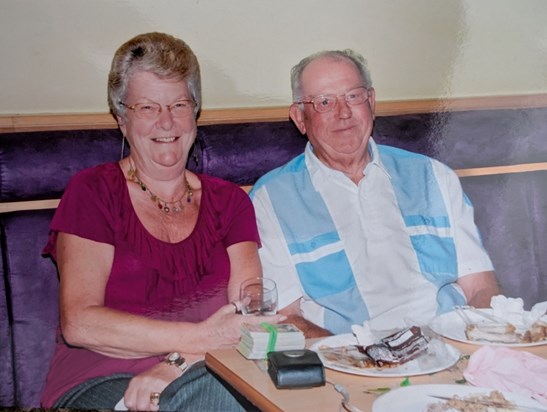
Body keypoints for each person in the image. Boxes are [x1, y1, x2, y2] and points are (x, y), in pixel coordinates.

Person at [41, 32, 284, 411]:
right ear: (122, 119)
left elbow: (248, 316)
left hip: (208, 369)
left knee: (247, 391)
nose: (166, 122)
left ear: (196, 113)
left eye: (179, 104)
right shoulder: (93, 192)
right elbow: (81, 323)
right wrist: (201, 337)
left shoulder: (230, 202)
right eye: (148, 108)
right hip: (101, 380)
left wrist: (180, 360)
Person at [250, 49, 500, 338]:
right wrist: (357, 362)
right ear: (300, 118)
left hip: (451, 346)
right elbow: (287, 318)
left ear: (371, 101)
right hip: (351, 358)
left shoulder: (434, 177)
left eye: (353, 96)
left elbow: (481, 286)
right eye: (324, 102)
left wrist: (484, 343)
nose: (343, 113)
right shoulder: (270, 201)